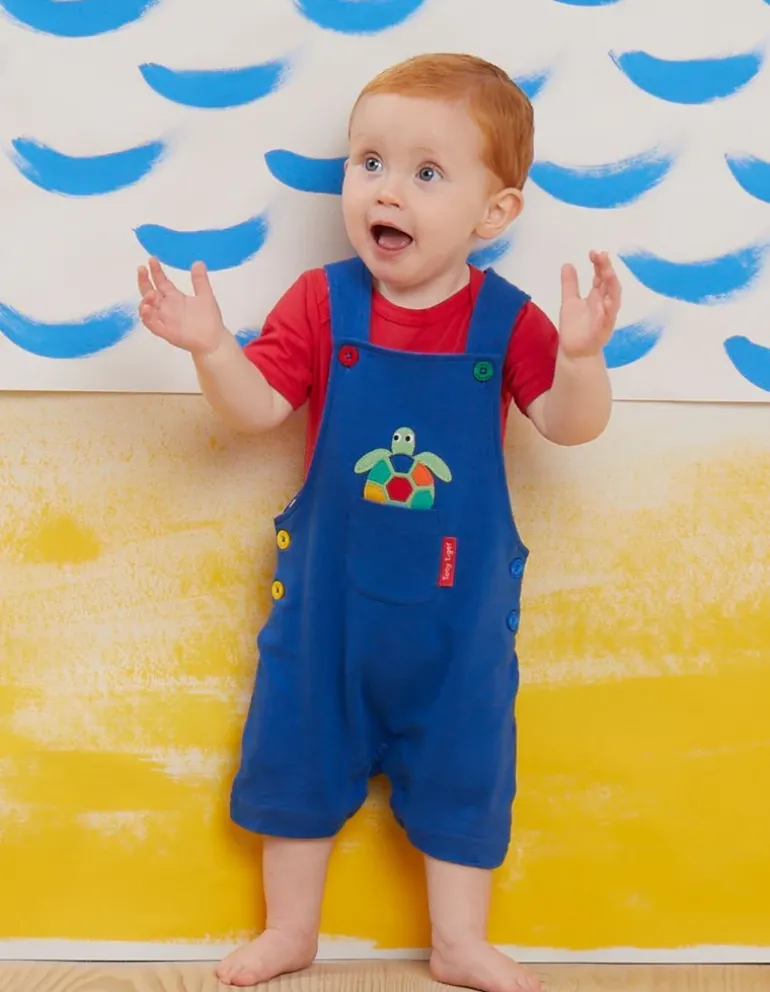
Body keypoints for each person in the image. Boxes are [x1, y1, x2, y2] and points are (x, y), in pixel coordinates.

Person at [137, 52, 620, 992]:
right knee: (295, 756)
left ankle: (459, 942)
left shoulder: (507, 321)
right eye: (370, 162)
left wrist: (582, 359)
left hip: (455, 629)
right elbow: (259, 407)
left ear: (494, 213)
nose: (386, 190)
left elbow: (569, 427)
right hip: (329, 618)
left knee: (467, 770)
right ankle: (291, 932)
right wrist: (212, 349)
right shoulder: (322, 303)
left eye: (426, 172)